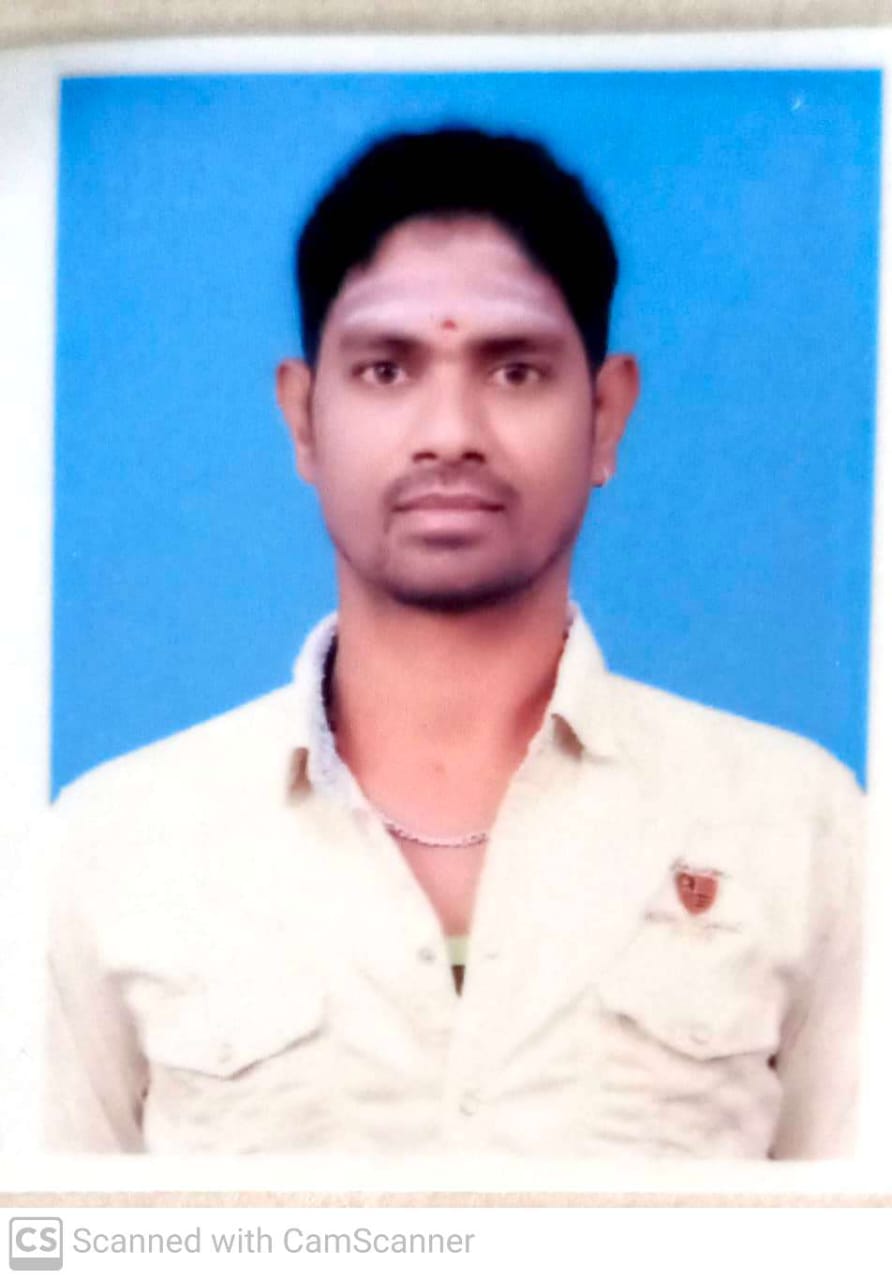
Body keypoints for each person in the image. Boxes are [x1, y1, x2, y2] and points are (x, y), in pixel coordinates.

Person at [45, 126, 863, 1159]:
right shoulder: (114, 849)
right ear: (303, 418)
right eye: (386, 370)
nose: (449, 433)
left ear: (606, 415)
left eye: (514, 371)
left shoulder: (799, 830)